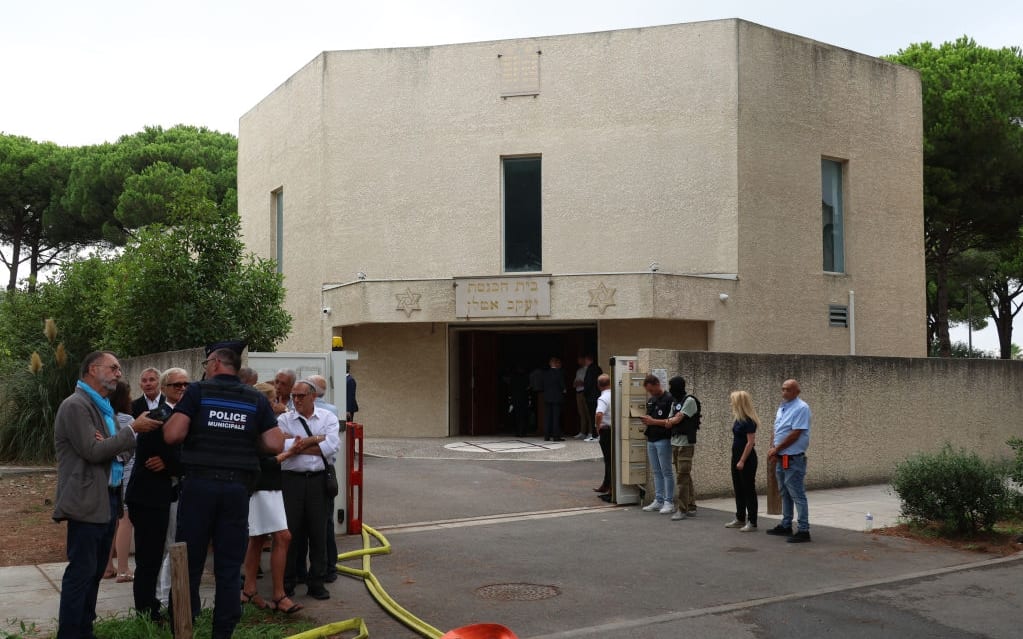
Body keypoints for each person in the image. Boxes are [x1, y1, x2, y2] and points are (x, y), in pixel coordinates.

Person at [163, 344, 283, 638]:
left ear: (215, 363)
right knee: (229, 567)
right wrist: (247, 437)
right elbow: (275, 444)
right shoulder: (255, 398)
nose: (205, 367)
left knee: (189, 561)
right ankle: (223, 632)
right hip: (236, 490)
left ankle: (183, 626)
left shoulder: (198, 392)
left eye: (206, 363)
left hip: (199, 487)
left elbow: (172, 434)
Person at [52, 351, 155, 639]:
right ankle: (71, 634)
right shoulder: (76, 406)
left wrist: (114, 441)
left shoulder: (103, 407)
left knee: (96, 570)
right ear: (93, 369)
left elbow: (120, 451)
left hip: (108, 497)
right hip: (87, 499)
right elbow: (94, 451)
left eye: (118, 369)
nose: (119, 373)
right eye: (113, 368)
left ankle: (85, 630)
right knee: (82, 571)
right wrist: (131, 430)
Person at [241, 383, 315, 614]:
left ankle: (250, 590)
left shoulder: (264, 424)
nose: (280, 404)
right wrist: (290, 452)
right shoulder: (257, 426)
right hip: (262, 487)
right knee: (282, 537)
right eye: (274, 400)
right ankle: (278, 594)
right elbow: (262, 462)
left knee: (258, 539)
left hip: (269, 486)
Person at [125, 367, 187, 623]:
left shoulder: (182, 415)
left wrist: (174, 464)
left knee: (161, 553)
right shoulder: (158, 416)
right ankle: (146, 613)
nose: (182, 389)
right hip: (149, 497)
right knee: (149, 558)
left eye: (186, 385)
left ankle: (155, 605)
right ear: (164, 388)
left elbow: (174, 458)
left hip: (165, 495)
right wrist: (177, 465)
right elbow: (157, 457)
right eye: (176, 385)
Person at [278, 379, 341, 601]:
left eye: (300, 396)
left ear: (313, 397)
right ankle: (288, 582)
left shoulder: (328, 418)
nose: (295, 400)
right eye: (294, 396)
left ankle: (317, 582)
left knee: (318, 532)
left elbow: (331, 447)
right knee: (290, 533)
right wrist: (316, 440)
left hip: (317, 481)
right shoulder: (284, 419)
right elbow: (281, 446)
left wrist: (298, 445)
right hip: (291, 481)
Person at [766, 379, 812, 543]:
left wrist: (777, 449)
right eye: (783, 389)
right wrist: (773, 447)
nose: (784, 392)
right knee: (784, 492)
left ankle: (803, 529)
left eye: (788, 390)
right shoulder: (783, 406)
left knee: (797, 494)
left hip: (792, 458)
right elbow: (777, 428)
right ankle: (786, 524)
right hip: (781, 457)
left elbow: (795, 433)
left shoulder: (801, 408)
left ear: (796, 392)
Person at [104, 381, 136, 583]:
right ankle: (123, 569)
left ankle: (107, 566)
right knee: (125, 521)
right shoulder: (129, 420)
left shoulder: (103, 418)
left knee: (111, 522)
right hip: (127, 473)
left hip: (109, 475)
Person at [638, 374, 675, 514]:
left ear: (657, 384)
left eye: (652, 390)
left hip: (663, 439)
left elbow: (671, 421)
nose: (651, 393)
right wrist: (647, 420)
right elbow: (651, 417)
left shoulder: (669, 399)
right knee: (656, 471)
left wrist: (653, 421)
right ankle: (658, 500)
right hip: (651, 439)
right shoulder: (651, 400)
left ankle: (668, 501)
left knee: (666, 471)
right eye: (649, 391)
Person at [724, 390, 760, 532]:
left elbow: (750, 443)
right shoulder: (738, 419)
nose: (731, 403)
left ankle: (752, 521)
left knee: (748, 489)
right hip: (736, 456)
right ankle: (740, 518)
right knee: (738, 488)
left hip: (746, 459)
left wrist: (742, 460)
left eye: (733, 400)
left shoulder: (749, 420)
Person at [666, 376, 698, 520]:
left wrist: (673, 419)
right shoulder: (675, 402)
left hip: (685, 444)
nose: (670, 389)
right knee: (685, 475)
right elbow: (669, 420)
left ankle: (682, 509)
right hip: (675, 442)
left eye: (672, 386)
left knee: (682, 477)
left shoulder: (689, 401)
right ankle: (691, 505)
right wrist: (672, 420)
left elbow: (677, 419)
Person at [592, 374, 613, 494]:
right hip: (613, 429)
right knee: (611, 459)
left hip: (606, 430)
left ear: (599, 386)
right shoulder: (614, 394)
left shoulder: (603, 398)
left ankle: (609, 486)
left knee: (608, 459)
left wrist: (597, 426)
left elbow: (599, 413)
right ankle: (606, 484)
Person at [540, 357, 566, 442]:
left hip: (547, 397)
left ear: (550, 364)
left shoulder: (545, 373)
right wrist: (564, 390)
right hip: (557, 398)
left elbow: (543, 385)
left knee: (547, 417)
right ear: (556, 363)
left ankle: (546, 436)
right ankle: (556, 436)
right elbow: (562, 386)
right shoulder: (559, 373)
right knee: (556, 418)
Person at [582, 355, 602, 441]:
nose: (584, 362)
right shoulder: (598, 368)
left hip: (591, 397)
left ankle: (595, 435)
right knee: (596, 416)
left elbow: (588, 384)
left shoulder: (590, 369)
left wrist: (585, 393)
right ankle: (597, 434)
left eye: (585, 360)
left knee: (593, 416)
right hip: (597, 395)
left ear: (588, 360)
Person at [572, 356, 591, 439]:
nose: (578, 361)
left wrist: (583, 383)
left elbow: (589, 382)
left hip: (585, 393)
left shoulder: (589, 370)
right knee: (581, 413)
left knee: (588, 413)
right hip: (578, 393)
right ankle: (582, 432)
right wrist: (576, 383)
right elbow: (574, 383)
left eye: (580, 359)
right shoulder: (579, 370)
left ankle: (590, 432)